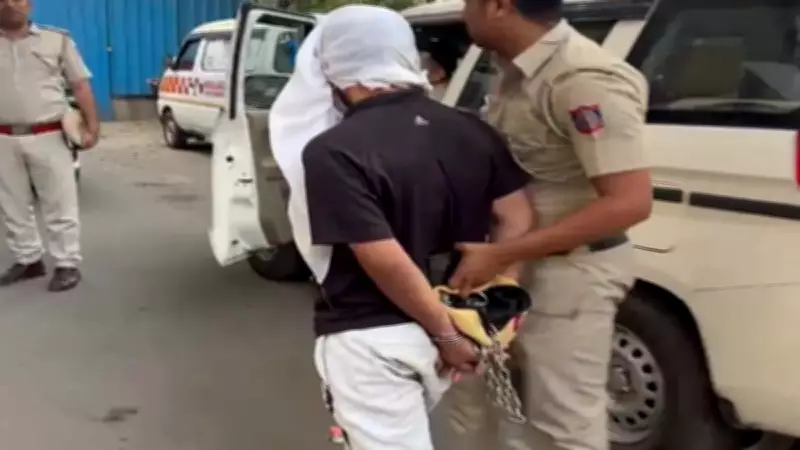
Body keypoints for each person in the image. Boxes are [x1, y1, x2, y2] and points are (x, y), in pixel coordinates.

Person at [267, 5, 534, 449]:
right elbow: (516, 216)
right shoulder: (472, 130)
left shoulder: (332, 150)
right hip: (461, 318)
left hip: (375, 338)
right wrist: (494, 307)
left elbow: (380, 253)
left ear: (335, 69)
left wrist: (444, 333)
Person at [445, 0, 652, 449]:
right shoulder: (514, 71)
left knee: (563, 425)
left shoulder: (582, 79)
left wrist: (505, 254)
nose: (464, 13)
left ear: (499, 6)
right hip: (506, 267)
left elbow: (630, 202)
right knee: (485, 405)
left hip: (567, 273)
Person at [0, 0, 99, 292]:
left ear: (28, 5)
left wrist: (92, 125)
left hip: (49, 134)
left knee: (58, 201)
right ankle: (28, 259)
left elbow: (80, 84)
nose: (9, 5)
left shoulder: (57, 40)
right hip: (2, 137)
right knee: (12, 204)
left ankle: (66, 263)